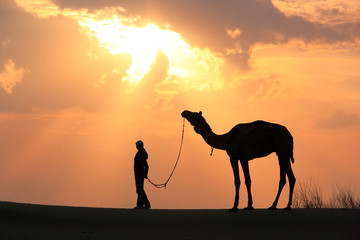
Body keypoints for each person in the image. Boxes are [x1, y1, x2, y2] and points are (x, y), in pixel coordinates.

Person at [133, 140, 151, 209]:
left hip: (140, 174)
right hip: (138, 174)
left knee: (140, 189)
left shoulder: (141, 153)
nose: (136, 146)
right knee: (139, 189)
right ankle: (140, 205)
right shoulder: (141, 153)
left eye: (137, 145)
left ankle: (147, 204)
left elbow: (146, 165)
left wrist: (145, 174)